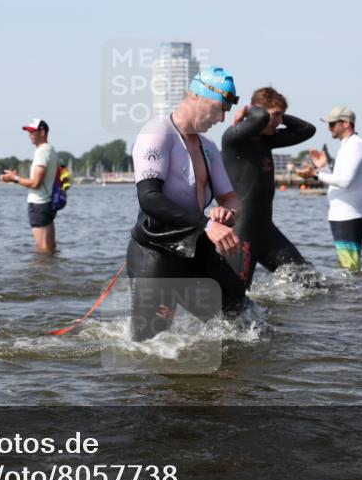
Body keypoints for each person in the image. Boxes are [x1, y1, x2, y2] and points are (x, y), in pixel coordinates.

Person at [127, 67, 245, 341]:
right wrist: (208, 225)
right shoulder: (157, 133)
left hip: (194, 246)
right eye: (219, 108)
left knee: (242, 318)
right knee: (150, 347)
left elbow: (230, 198)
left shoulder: (208, 146)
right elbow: (149, 199)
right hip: (156, 250)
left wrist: (227, 214)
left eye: (226, 111)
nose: (222, 118)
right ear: (195, 96)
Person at [220, 86, 316, 288]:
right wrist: (249, 111)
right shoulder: (234, 138)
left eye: (282, 116)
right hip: (241, 231)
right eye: (275, 115)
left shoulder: (267, 140)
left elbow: (308, 130)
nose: (279, 122)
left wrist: (280, 116)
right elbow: (259, 118)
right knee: (236, 296)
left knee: (308, 280)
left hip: (266, 231)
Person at [297, 106, 362, 271]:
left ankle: (355, 289)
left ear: (346, 123)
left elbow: (344, 182)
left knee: (350, 267)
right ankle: (355, 288)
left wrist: (315, 173)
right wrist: (323, 168)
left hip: (348, 216)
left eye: (332, 124)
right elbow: (338, 180)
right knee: (348, 266)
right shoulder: (348, 145)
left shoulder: (355, 145)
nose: (328, 128)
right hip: (342, 216)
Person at [0, 119, 58, 253]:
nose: (29, 134)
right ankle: (53, 266)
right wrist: (16, 178)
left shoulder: (42, 152)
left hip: (39, 205)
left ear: (42, 132)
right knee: (50, 247)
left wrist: (14, 179)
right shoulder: (51, 150)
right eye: (28, 131)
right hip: (48, 203)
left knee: (42, 249)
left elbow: (36, 183)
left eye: (32, 131)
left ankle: (43, 267)